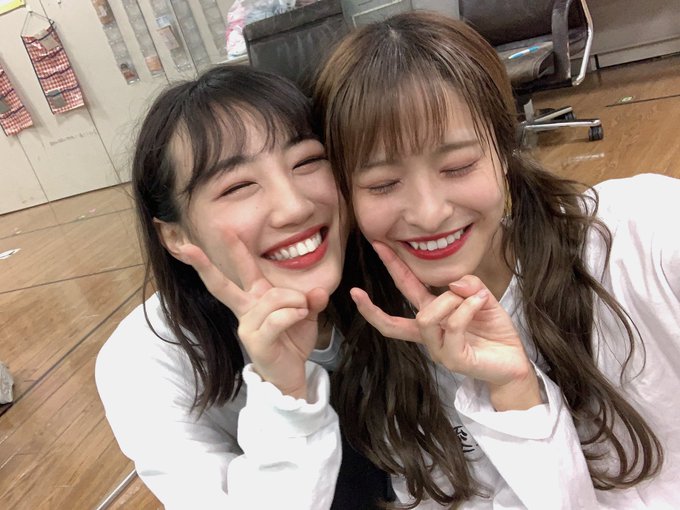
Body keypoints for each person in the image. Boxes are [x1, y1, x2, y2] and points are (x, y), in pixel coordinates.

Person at [314, 11, 680, 509]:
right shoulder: (385, 356)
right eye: (382, 184)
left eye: (458, 166)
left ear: (505, 150)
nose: (429, 212)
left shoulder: (637, 234)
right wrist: (513, 399)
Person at [95, 65, 391, 509]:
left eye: (307, 161)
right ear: (175, 235)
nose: (294, 206)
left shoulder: (397, 276)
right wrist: (285, 393)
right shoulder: (143, 361)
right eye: (238, 186)